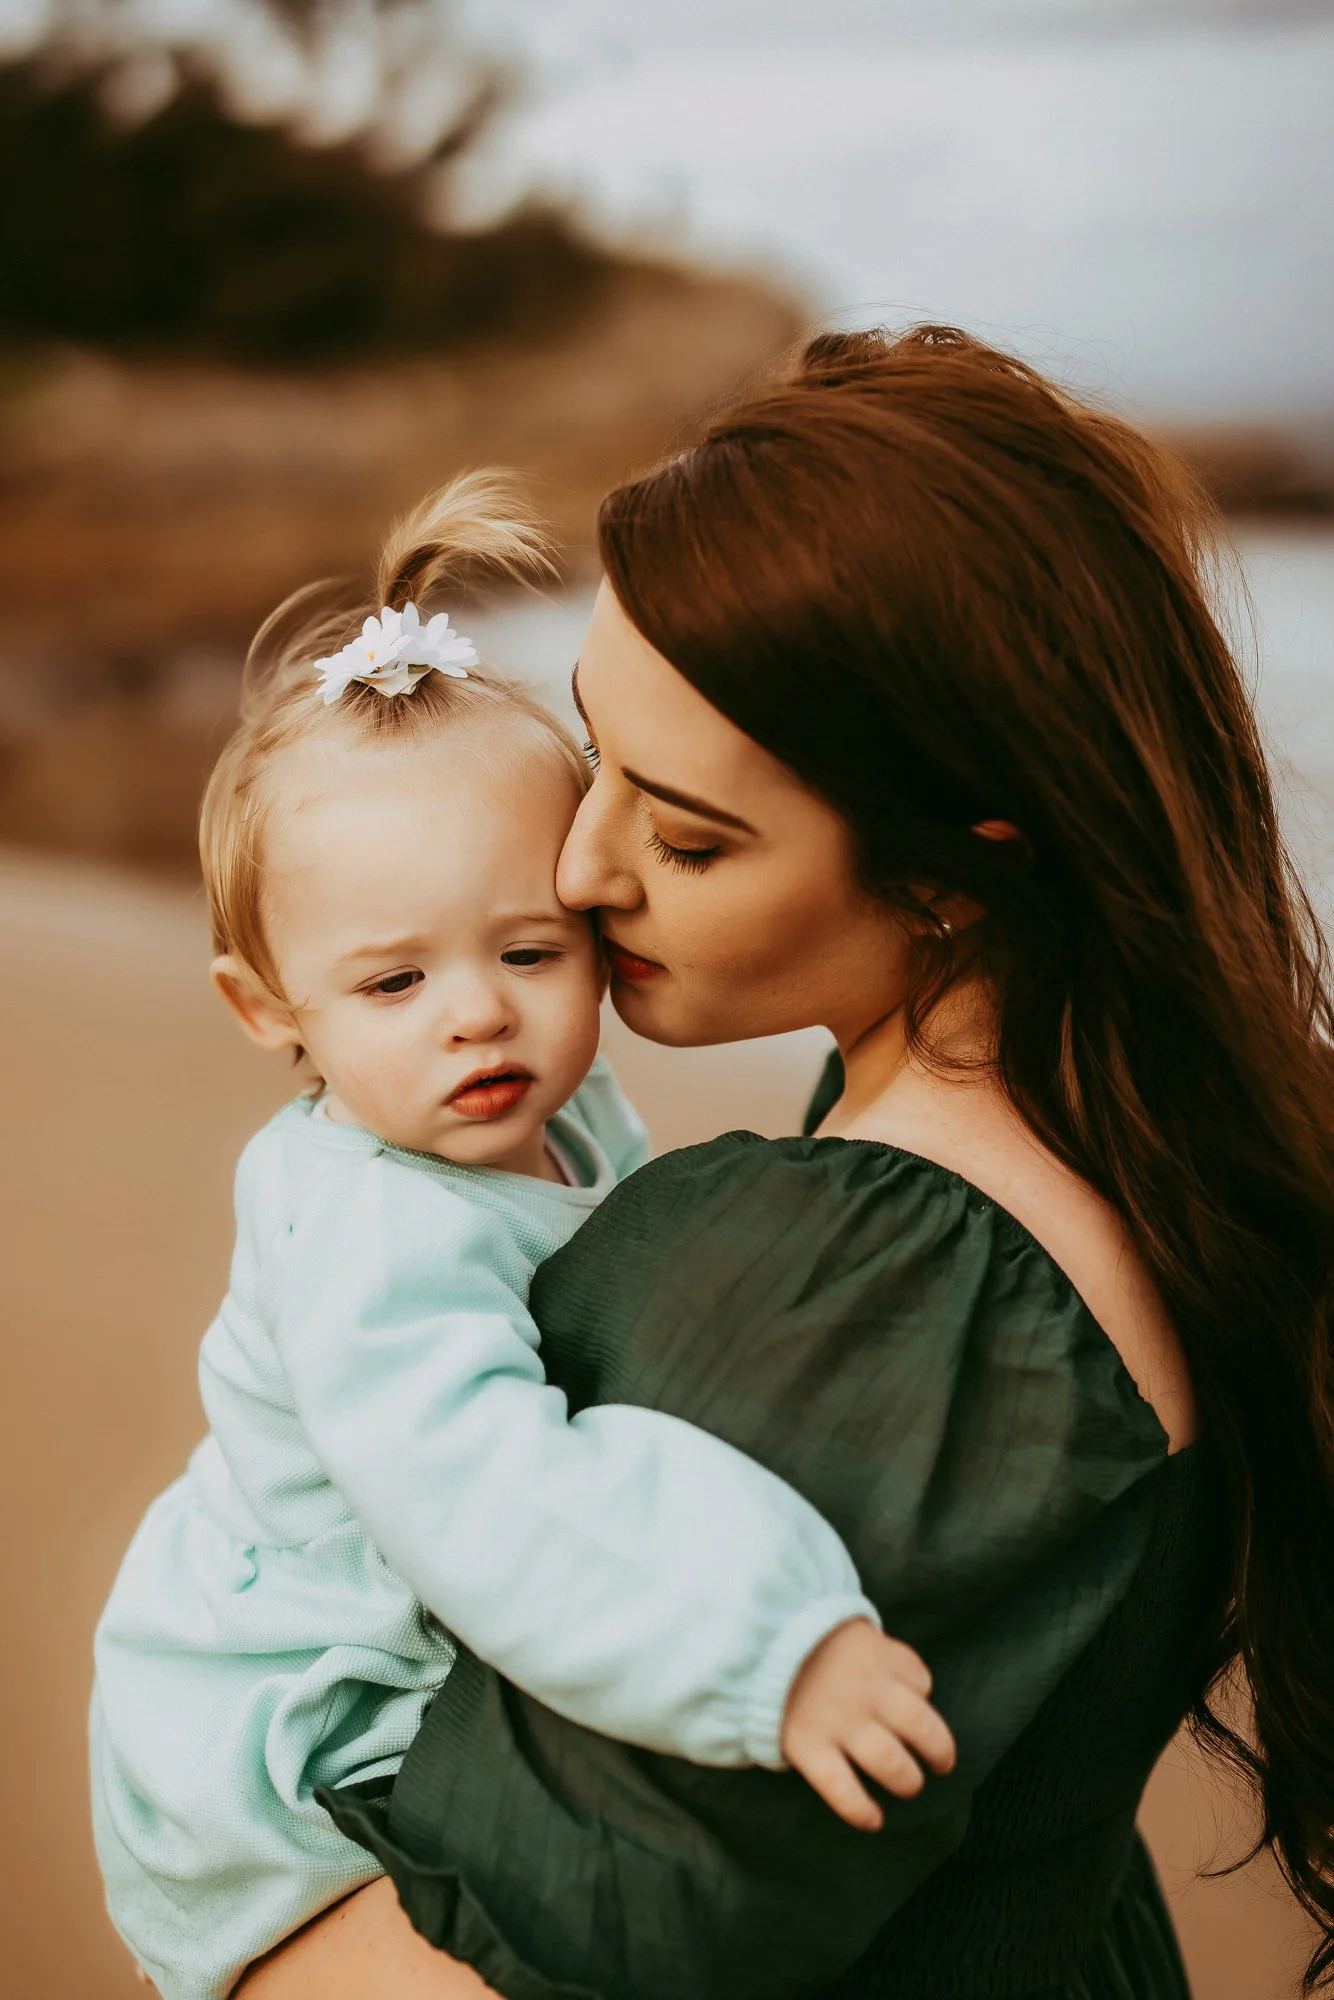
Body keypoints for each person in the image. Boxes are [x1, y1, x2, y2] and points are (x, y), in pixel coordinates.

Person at [243, 326, 1334, 2000]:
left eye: (689, 835)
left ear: (959, 864)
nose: (583, 867)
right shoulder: (1128, 1130)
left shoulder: (898, 1279)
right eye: (596, 754)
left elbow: (552, 1956)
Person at [88, 477, 956, 2000]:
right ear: (265, 1010)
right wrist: (767, 1649)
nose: (476, 1010)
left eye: (526, 949)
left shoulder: (532, 1112)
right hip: (287, 1741)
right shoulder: (369, 1229)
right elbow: (492, 1485)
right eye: (390, 984)